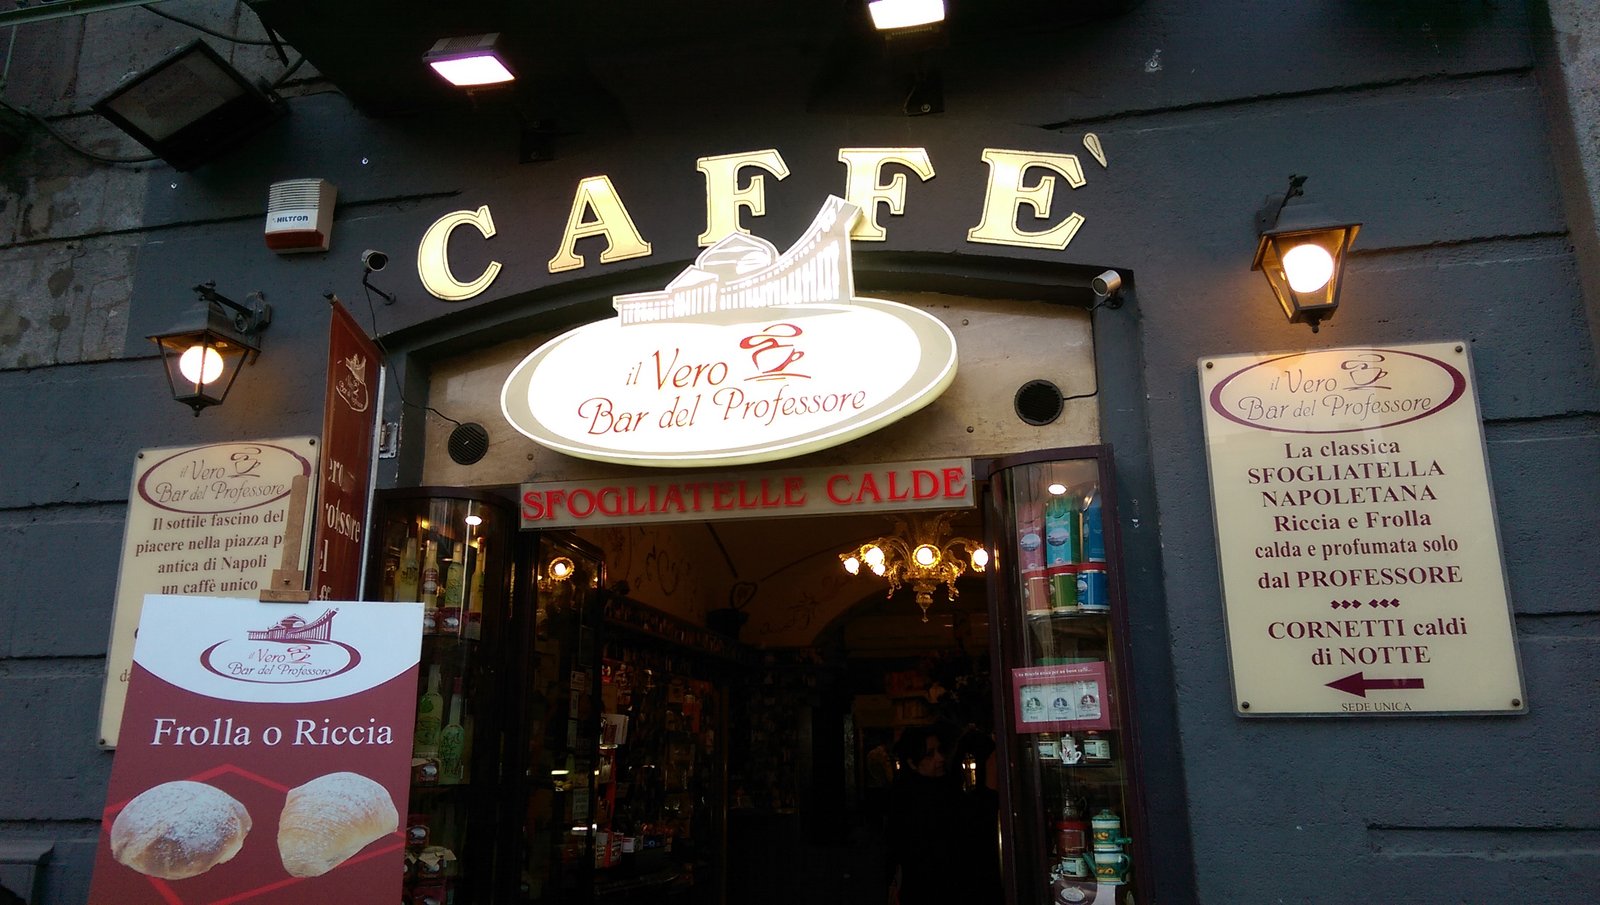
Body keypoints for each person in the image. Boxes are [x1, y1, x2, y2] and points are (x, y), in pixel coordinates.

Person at [884, 725, 969, 905]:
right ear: (912, 762)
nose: (940, 758)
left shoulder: (948, 789)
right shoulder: (907, 799)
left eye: (939, 750)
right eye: (929, 754)